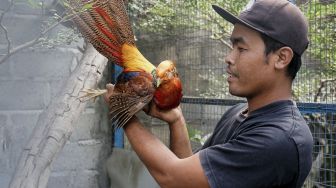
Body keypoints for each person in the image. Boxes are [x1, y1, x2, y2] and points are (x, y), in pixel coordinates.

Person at [104, 0, 313, 187]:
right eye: (232, 46)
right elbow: (193, 180)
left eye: (241, 48)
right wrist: (176, 121)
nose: (229, 58)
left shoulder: (279, 139)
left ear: (281, 58)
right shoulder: (237, 113)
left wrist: (125, 115)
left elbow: (173, 178)